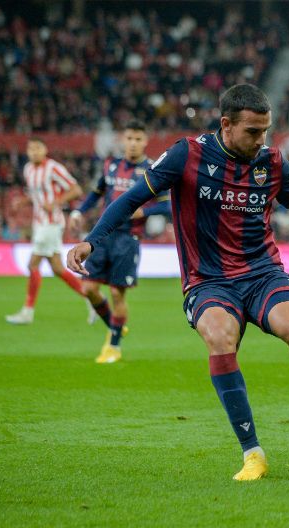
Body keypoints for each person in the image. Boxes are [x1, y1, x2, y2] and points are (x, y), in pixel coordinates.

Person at [67, 84, 289, 481]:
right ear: (226, 124)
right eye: (252, 131)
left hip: (262, 272)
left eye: (266, 130)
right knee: (219, 337)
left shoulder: (273, 162)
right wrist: (93, 240)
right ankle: (253, 453)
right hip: (208, 280)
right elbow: (130, 199)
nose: (261, 139)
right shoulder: (187, 154)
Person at [69, 120, 171, 363]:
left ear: (145, 141)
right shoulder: (111, 165)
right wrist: (78, 212)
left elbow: (168, 204)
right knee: (89, 289)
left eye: (138, 139)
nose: (133, 143)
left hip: (128, 238)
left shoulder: (152, 169)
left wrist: (144, 213)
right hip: (103, 236)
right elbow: (96, 193)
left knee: (117, 294)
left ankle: (113, 346)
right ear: (123, 140)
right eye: (130, 138)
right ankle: (115, 326)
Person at [5, 138, 85, 325]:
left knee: (33, 265)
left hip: (51, 223)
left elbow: (76, 189)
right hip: (39, 222)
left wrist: (56, 202)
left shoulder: (53, 168)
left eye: (37, 148)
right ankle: (92, 299)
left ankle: (27, 311)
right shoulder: (28, 169)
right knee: (57, 268)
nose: (34, 152)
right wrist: (22, 202)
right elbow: (35, 195)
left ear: (45, 150)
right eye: (31, 148)